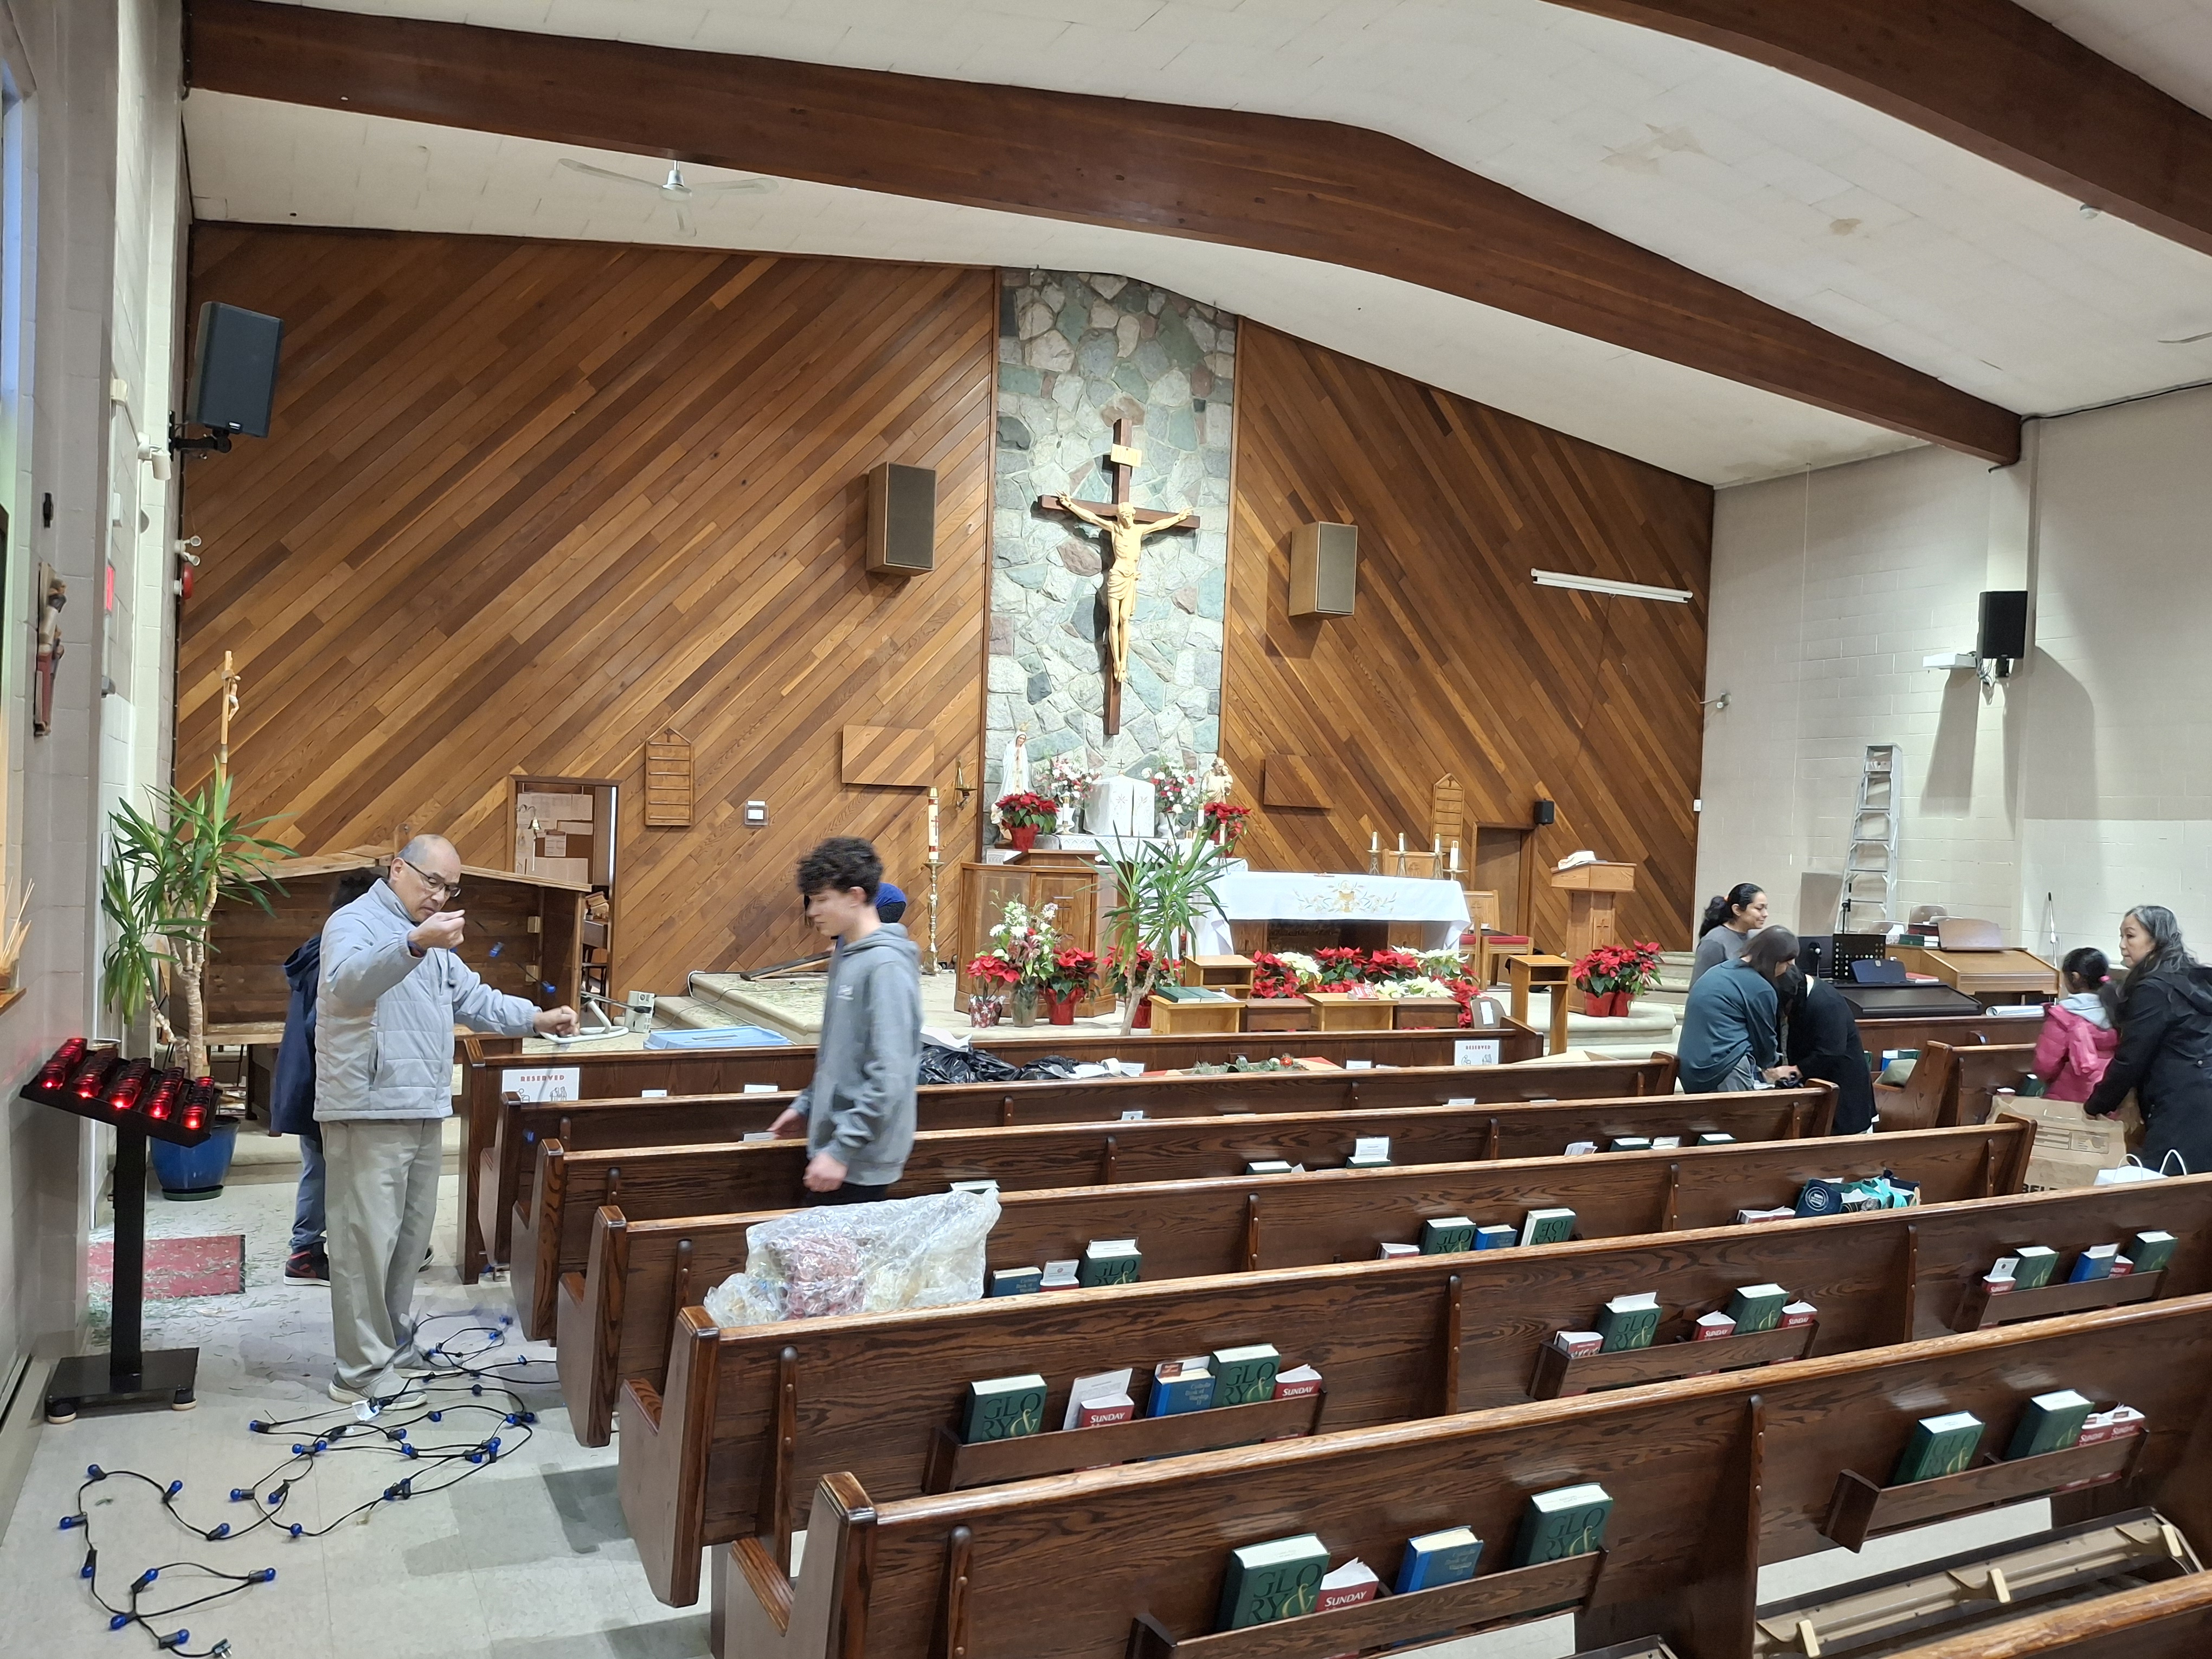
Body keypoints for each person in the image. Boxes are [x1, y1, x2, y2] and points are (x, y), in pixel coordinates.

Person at [317, 835, 578, 1403]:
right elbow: (347, 983)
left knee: (406, 1244)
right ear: (398, 869)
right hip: (368, 1107)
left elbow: (476, 1000)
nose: (439, 897)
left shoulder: (432, 942)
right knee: (364, 1247)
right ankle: (358, 1374)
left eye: (450, 889)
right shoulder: (355, 922)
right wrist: (413, 944)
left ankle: (392, 1344)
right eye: (431, 882)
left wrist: (537, 1018)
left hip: (424, 1104)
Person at [767, 837, 922, 1204]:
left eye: (822, 900)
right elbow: (839, 1054)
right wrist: (806, 1105)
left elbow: (892, 1073)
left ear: (854, 896)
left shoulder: (886, 965)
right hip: (838, 1144)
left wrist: (841, 1150)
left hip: (861, 1155)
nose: (813, 912)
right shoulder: (847, 956)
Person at [272, 869, 380, 1284]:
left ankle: (311, 1246)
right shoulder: (338, 959)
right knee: (327, 1168)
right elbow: (327, 1030)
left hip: (308, 1079)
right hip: (322, 1083)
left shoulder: (322, 948)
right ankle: (306, 1250)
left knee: (321, 1166)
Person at [2084, 905, 2212, 1174]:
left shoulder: (2154, 988)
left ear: (2156, 940)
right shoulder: (2191, 977)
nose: (2121, 945)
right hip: (2201, 1092)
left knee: (2166, 1192)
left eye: (2130, 936)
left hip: (2182, 1102)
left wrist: (2097, 1104)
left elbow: (2131, 1058)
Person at [1677, 925, 1802, 1094]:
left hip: (1689, 1070)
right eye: (1787, 964)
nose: (1787, 970)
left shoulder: (1720, 970)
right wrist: (1775, 1069)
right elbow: (1764, 1046)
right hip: (1724, 1071)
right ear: (1775, 960)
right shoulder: (1761, 988)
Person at [1778, 965, 1876, 1134]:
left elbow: (1831, 1052)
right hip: (1820, 1097)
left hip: (1846, 1102)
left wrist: (1794, 1071)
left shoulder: (1827, 1003)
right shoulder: (1802, 996)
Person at [2034, 947, 2122, 1104]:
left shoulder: (2064, 1015)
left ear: (2075, 977)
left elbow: (2045, 1066)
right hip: (2109, 1097)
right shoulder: (2117, 1010)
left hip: (2068, 1099)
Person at [1690, 884, 1769, 986]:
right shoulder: (1714, 942)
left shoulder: (1756, 938)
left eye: (1766, 908)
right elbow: (1698, 986)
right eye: (1759, 908)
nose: (1765, 914)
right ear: (1737, 910)